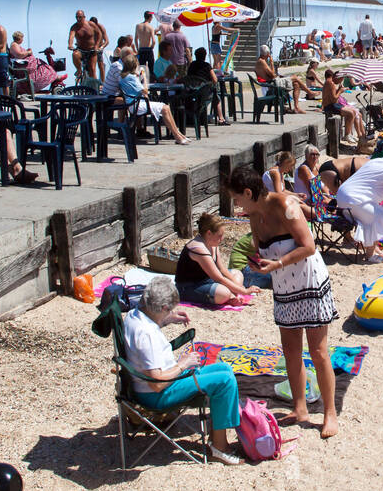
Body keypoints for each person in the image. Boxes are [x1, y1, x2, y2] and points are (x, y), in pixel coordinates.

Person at [230, 165, 339, 437]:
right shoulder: (254, 216)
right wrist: (259, 265)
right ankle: (299, 407)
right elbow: (261, 250)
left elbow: (308, 245)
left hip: (309, 283)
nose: (234, 204)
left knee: (319, 352)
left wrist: (276, 262)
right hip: (284, 286)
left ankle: (329, 413)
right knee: (290, 351)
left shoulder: (285, 204)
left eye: (236, 198)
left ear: (247, 192)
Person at [123, 276, 245, 465]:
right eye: (168, 310)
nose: (170, 312)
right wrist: (183, 364)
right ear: (162, 308)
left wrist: (168, 319)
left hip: (158, 384)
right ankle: (219, 448)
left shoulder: (134, 315)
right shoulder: (146, 335)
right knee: (224, 381)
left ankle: (217, 436)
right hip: (157, 394)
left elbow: (151, 322)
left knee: (224, 369)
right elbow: (157, 384)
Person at [174, 212, 266, 306]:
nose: (222, 239)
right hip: (189, 286)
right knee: (224, 293)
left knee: (237, 273)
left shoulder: (212, 244)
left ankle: (233, 296)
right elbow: (218, 278)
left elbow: (222, 269)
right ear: (209, 233)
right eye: (219, 235)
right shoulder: (198, 248)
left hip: (207, 280)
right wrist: (244, 291)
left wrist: (238, 288)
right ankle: (229, 297)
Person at [117, 54, 192, 144]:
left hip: (133, 104)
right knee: (165, 108)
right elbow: (145, 90)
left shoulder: (123, 77)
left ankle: (178, 134)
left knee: (166, 107)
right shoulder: (131, 77)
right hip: (137, 104)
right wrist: (144, 77)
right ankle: (177, 136)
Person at [322, 69, 364, 142]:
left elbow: (333, 96)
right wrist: (341, 91)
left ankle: (348, 134)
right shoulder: (330, 83)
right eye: (341, 79)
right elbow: (334, 99)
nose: (341, 81)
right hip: (330, 106)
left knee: (353, 111)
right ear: (338, 77)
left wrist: (339, 89)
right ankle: (347, 135)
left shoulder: (329, 82)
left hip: (333, 104)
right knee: (350, 113)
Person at [68, 10, 101, 81]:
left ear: (84, 17)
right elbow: (71, 36)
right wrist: (70, 45)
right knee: (75, 54)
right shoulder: (74, 27)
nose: (78, 19)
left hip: (92, 50)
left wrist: (97, 45)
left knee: (92, 69)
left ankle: (95, 89)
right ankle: (79, 70)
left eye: (80, 17)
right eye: (76, 17)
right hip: (81, 50)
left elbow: (99, 34)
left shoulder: (91, 24)